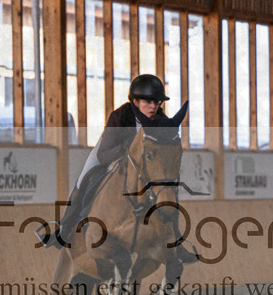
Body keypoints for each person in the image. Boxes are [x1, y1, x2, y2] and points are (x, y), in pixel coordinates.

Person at [38, 74, 196, 268]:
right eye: (148, 101)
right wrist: (127, 151)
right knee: (84, 179)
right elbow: (104, 153)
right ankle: (64, 229)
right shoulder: (120, 116)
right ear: (135, 101)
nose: (153, 106)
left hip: (142, 166)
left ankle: (175, 241)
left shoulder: (160, 120)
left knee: (168, 190)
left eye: (157, 102)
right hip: (111, 155)